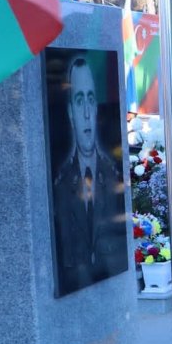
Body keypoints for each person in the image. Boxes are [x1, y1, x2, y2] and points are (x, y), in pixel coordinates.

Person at [51, 54, 127, 296]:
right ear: (70, 112)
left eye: (91, 100)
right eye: (79, 100)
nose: (86, 113)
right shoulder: (62, 183)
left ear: (96, 108)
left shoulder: (113, 173)